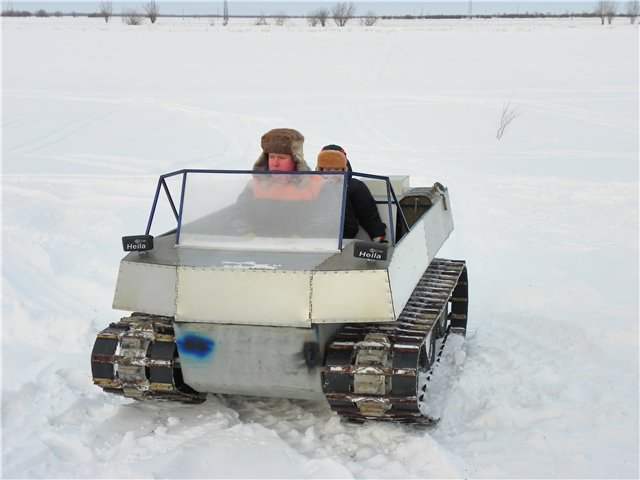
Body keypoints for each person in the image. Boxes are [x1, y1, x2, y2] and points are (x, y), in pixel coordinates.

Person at [316, 144, 387, 242]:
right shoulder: (312, 186)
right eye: (328, 170)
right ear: (321, 170)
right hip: (315, 236)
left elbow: (368, 214)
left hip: (344, 237)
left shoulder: (353, 186)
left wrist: (378, 236)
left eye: (337, 170)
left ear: (344, 169)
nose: (332, 174)